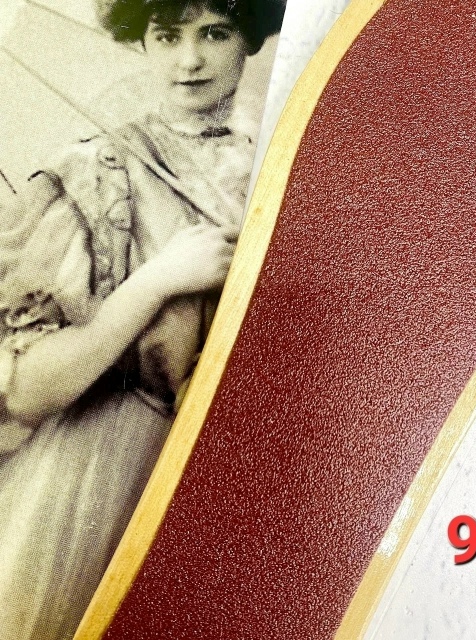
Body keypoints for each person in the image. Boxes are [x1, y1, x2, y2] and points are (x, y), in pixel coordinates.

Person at [0, 1, 284, 638]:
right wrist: (157, 280)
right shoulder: (100, 172)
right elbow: (28, 387)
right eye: (168, 36)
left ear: (249, 38)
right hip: (106, 472)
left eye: (215, 33)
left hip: (236, 478)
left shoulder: (281, 165)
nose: (190, 60)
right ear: (141, 42)